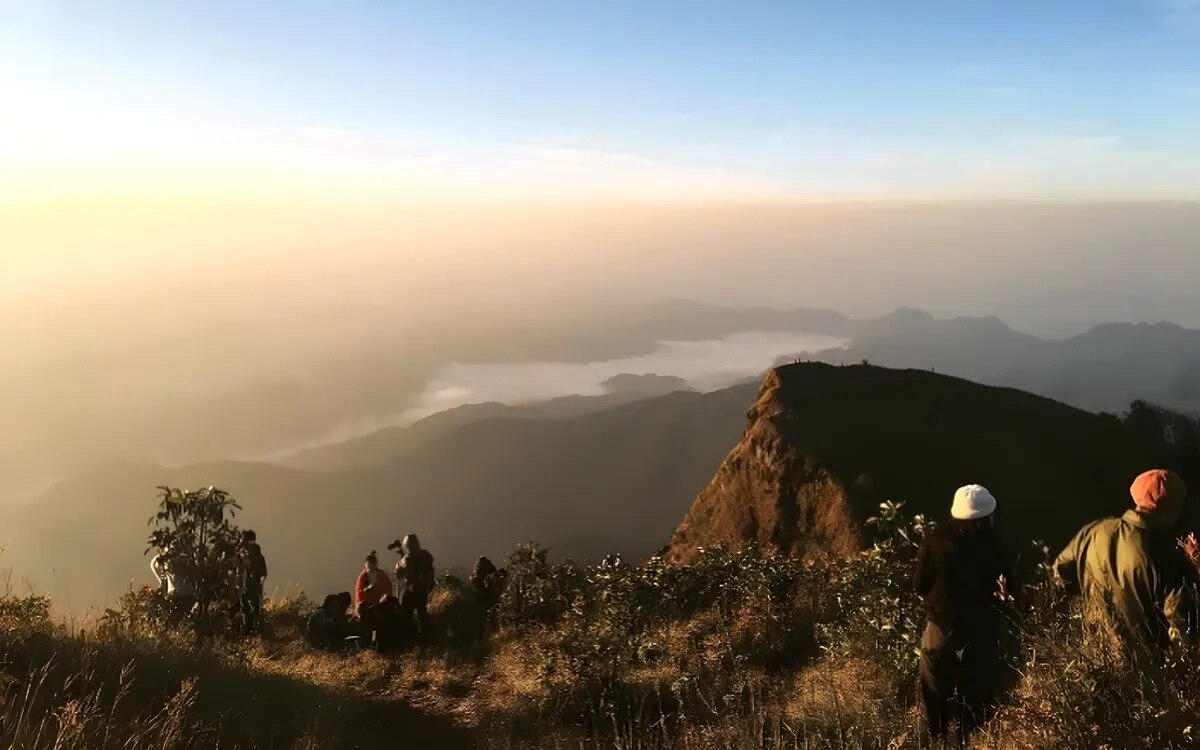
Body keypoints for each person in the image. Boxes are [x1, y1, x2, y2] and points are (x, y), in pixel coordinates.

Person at [1053, 469, 1198, 661]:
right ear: (1173, 507)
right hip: (1144, 672)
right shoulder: (1167, 557)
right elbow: (1180, 629)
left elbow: (1058, 578)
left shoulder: (1092, 532)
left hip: (1095, 661)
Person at [915, 484, 1011, 745]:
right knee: (977, 702)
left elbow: (919, 585)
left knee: (936, 695)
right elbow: (1011, 590)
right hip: (981, 631)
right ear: (987, 515)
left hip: (941, 629)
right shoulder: (996, 544)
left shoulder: (934, 540)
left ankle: (938, 739)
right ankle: (970, 741)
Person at [391, 534, 436, 644]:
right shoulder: (425, 556)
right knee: (422, 614)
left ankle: (411, 639)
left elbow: (398, 574)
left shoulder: (407, 560)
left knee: (406, 615)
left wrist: (398, 563)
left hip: (410, 590)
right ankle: (427, 639)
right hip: (422, 589)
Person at [150, 546, 197, 617]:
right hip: (175, 594)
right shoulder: (164, 559)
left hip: (186, 594)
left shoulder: (187, 554)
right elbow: (153, 564)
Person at [237, 530, 269, 636]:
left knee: (249, 608)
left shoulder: (251, 555)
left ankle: (251, 631)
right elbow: (264, 573)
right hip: (253, 586)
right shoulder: (256, 555)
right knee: (254, 608)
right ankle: (256, 630)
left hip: (250, 586)